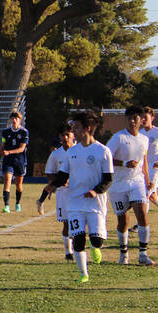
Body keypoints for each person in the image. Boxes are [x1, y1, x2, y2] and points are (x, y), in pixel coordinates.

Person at [47, 110, 114, 284]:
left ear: (88, 128)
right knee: (77, 238)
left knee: (96, 238)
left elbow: (108, 179)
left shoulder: (103, 151)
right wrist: (52, 186)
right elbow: (63, 175)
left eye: (76, 127)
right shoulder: (71, 152)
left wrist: (96, 190)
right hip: (75, 202)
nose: (73, 131)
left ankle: (96, 246)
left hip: (95, 203)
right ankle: (83, 273)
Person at [107, 107, 153, 266]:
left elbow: (144, 161)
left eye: (135, 118)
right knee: (123, 221)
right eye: (129, 118)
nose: (132, 121)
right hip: (118, 184)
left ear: (141, 120)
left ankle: (143, 254)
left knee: (142, 214)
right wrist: (124, 163)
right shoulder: (118, 138)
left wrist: (148, 180)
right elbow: (105, 158)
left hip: (137, 182)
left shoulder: (144, 139)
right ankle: (124, 253)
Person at [36, 125, 76, 260]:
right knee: (66, 223)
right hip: (63, 192)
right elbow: (49, 172)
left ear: (73, 135)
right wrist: (59, 181)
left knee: (77, 221)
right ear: (59, 137)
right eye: (63, 135)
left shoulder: (80, 151)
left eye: (68, 134)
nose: (65, 138)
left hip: (78, 192)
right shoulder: (56, 154)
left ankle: (78, 249)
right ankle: (68, 252)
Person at [0, 111, 29, 213]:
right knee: (7, 181)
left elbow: (22, 149)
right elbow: (2, 146)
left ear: (20, 120)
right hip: (8, 160)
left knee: (18, 185)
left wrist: (9, 151)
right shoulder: (5, 132)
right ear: (10, 120)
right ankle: (6, 206)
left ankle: (17, 203)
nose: (14, 120)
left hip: (20, 161)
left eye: (16, 119)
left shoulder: (24, 132)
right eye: (13, 119)